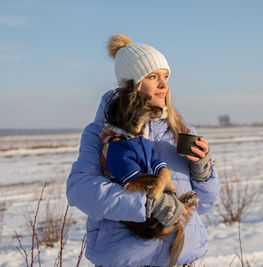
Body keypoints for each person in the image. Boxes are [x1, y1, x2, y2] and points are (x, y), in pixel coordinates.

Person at [66, 33, 221, 267]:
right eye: (153, 76)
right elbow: (80, 190)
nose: (164, 85)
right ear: (132, 83)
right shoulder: (103, 132)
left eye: (166, 77)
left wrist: (203, 171)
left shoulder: (180, 129)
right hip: (127, 260)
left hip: (181, 260)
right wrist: (147, 204)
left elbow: (206, 204)